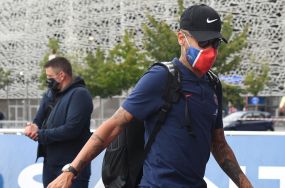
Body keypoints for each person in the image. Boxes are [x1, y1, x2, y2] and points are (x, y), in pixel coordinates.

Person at [48, 4, 253, 188]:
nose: (211, 51)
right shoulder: (161, 77)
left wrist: (245, 184)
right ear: (181, 38)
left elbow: (218, 143)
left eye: (215, 43)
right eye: (203, 42)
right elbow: (115, 124)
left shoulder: (213, 84)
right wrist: (72, 170)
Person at [24, 57, 93, 188]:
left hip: (72, 167)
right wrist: (32, 127)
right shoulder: (50, 94)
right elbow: (38, 119)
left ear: (61, 75)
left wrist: (40, 134)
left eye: (50, 77)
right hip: (50, 164)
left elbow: (72, 129)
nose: (47, 80)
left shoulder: (80, 94)